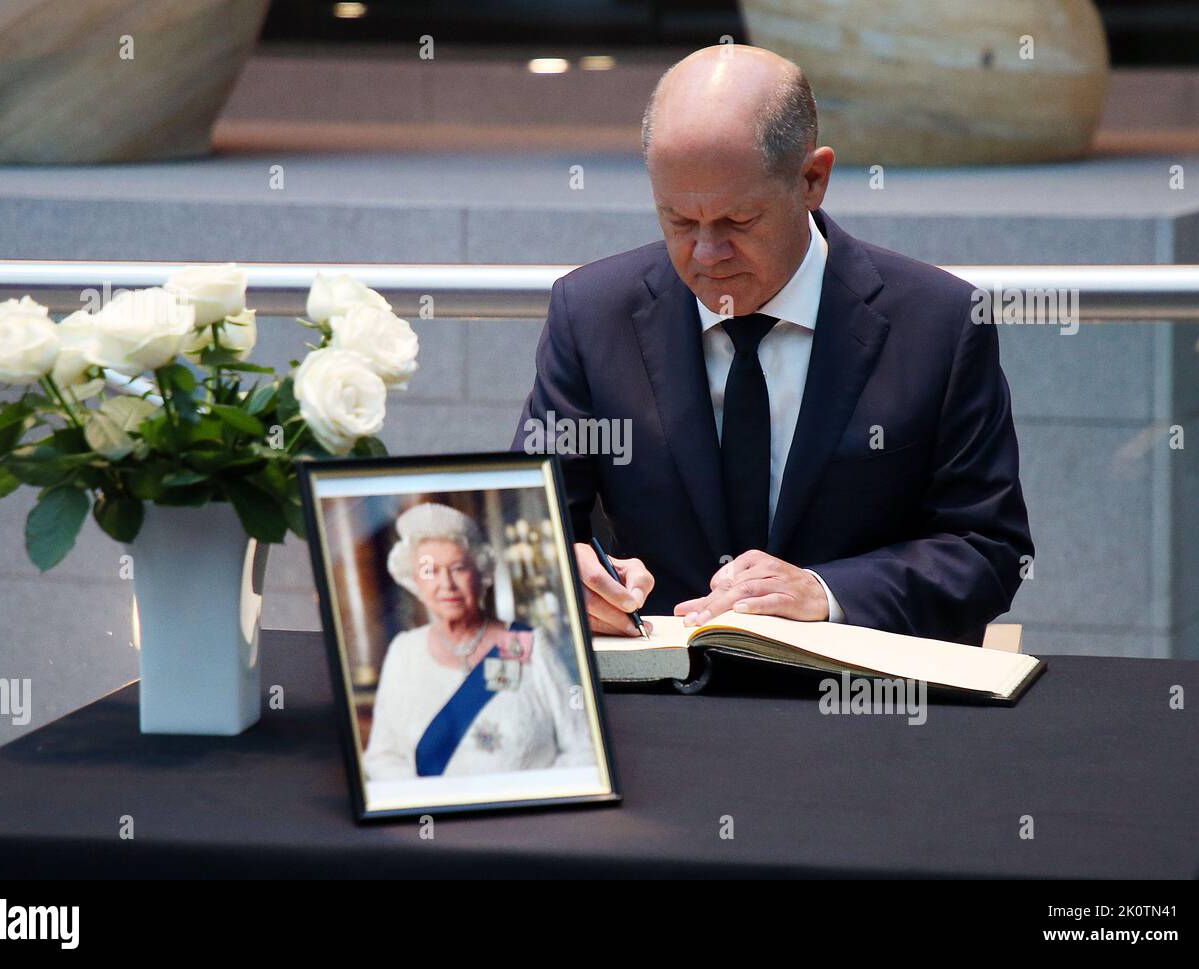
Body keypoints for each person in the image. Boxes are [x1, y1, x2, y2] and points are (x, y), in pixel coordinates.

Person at [512, 45, 1033, 647]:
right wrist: (560, 572)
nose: (706, 254)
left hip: (860, 708)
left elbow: (987, 550)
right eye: (678, 221)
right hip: (661, 703)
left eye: (738, 222)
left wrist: (826, 593)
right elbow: (529, 523)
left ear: (814, 180)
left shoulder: (939, 323)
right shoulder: (592, 313)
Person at [364, 502, 594, 780]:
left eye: (458, 568)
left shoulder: (529, 645)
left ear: (481, 573)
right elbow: (381, 758)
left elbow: (583, 748)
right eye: (430, 571)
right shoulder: (403, 652)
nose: (446, 584)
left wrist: (529, 800)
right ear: (415, 581)